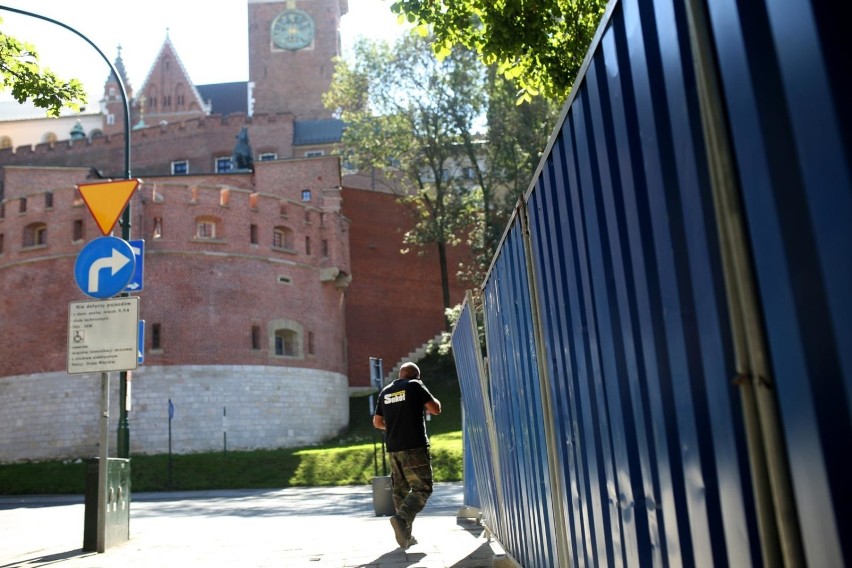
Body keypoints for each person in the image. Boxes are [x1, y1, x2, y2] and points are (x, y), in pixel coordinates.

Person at [373, 361, 442, 549]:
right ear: (415, 375)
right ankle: (402, 519)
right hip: (414, 447)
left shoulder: (386, 391)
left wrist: (394, 425)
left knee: (400, 493)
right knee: (423, 488)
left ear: (400, 374)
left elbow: (377, 422)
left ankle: (406, 537)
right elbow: (435, 409)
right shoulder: (415, 385)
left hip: (394, 448)